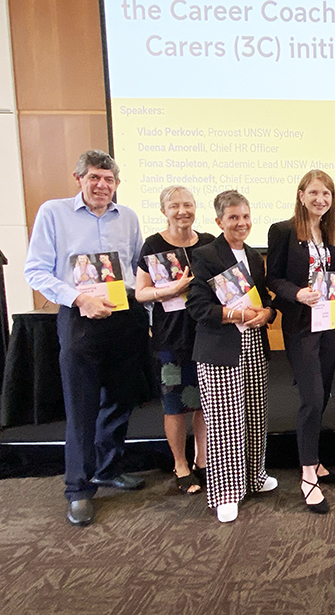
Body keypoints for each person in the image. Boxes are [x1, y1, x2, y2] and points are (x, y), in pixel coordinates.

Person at [24, 150, 149, 526]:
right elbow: (35, 271)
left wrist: (147, 315)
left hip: (124, 315)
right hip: (80, 316)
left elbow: (137, 269)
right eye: (94, 177)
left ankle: (108, 468)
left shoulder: (127, 217)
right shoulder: (53, 212)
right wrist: (79, 299)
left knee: (121, 398)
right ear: (78, 178)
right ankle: (78, 489)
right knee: (81, 406)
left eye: (109, 179)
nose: (101, 185)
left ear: (117, 184)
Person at [186, 190, 278, 523]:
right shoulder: (206, 254)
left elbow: (265, 298)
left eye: (245, 216)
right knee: (225, 421)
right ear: (219, 221)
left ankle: (255, 475)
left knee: (255, 412)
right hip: (220, 347)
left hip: (253, 342)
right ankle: (226, 492)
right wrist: (236, 315)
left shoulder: (254, 256)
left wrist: (267, 313)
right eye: (233, 217)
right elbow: (197, 306)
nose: (241, 223)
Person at [266, 170, 335, 514]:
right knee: (312, 397)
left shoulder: (329, 234)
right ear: (301, 195)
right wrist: (296, 293)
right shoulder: (283, 231)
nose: (320, 200)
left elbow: (328, 275)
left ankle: (314, 459)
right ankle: (306, 475)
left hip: (327, 323)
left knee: (324, 393)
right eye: (314, 193)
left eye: (326, 194)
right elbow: (273, 276)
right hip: (300, 326)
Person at [134, 185, 214, 495]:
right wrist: (171, 290)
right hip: (170, 337)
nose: (182, 211)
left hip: (206, 334)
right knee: (174, 404)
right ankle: (180, 464)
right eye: (175, 205)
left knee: (205, 403)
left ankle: (203, 461)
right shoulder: (153, 245)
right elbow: (141, 293)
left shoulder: (208, 243)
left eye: (188, 204)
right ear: (163, 210)